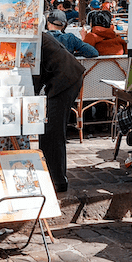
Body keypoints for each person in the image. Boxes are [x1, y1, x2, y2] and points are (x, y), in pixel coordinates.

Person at [35, 32, 85, 193]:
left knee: (52, 130)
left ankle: (57, 180)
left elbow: (34, 73)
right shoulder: (35, 35)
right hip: (63, 78)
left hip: (66, 79)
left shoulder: (32, 36)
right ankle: (52, 175)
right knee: (49, 130)